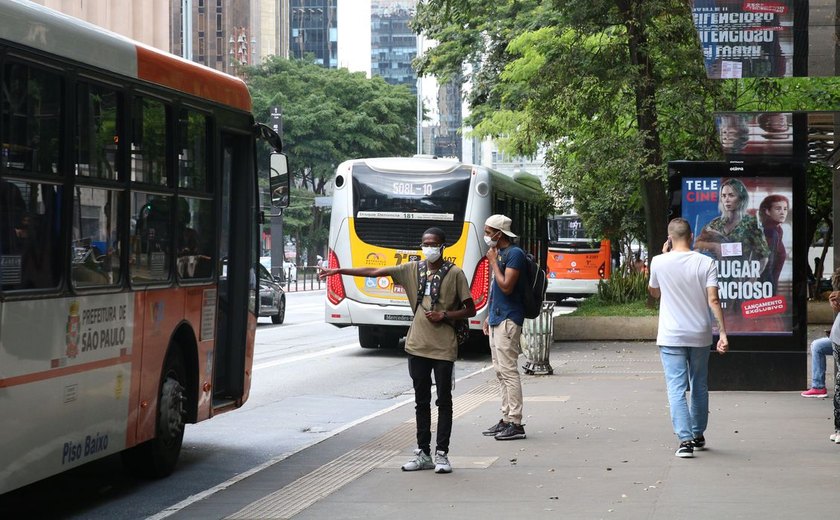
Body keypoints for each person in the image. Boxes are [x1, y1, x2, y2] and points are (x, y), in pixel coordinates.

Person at [318, 227, 475, 473]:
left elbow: (470, 309)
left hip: (444, 348)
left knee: (444, 402)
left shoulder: (455, 274)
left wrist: (445, 314)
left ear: (443, 246)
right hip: (416, 346)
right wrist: (338, 271)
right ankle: (424, 453)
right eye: (425, 243)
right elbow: (372, 270)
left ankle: (442, 454)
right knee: (420, 402)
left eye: (433, 243)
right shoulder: (412, 269)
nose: (428, 248)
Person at [649, 218, 729, 458]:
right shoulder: (706, 262)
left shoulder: (658, 262)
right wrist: (722, 332)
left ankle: (685, 442)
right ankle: (698, 434)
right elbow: (713, 300)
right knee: (699, 385)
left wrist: (663, 257)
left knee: (675, 387)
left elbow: (654, 293)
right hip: (700, 334)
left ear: (669, 237)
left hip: (671, 335)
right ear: (692, 235)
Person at [481, 214, 529, 441]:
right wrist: (488, 317)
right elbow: (495, 291)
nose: (486, 236)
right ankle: (506, 418)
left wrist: (492, 262)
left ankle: (516, 422)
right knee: (500, 372)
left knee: (508, 372)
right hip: (497, 318)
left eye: (488, 232)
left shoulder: (514, 255)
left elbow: (507, 287)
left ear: (499, 234)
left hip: (509, 319)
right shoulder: (499, 254)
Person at [757, 194, 789, 293]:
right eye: (778, 209)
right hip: (764, 283)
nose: (782, 212)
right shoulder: (769, 231)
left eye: (785, 209)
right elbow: (767, 264)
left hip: (770, 282)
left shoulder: (778, 230)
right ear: (767, 211)